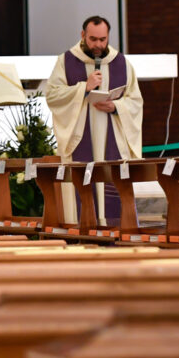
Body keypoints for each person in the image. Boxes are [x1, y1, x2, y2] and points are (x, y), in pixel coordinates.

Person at [45, 15, 144, 225]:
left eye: (103, 39)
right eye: (93, 39)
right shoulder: (66, 61)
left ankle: (115, 228)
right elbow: (52, 96)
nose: (98, 45)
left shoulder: (121, 62)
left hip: (112, 138)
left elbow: (136, 101)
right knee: (83, 182)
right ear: (83, 35)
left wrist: (116, 106)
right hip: (81, 137)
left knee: (111, 181)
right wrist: (84, 87)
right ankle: (83, 228)